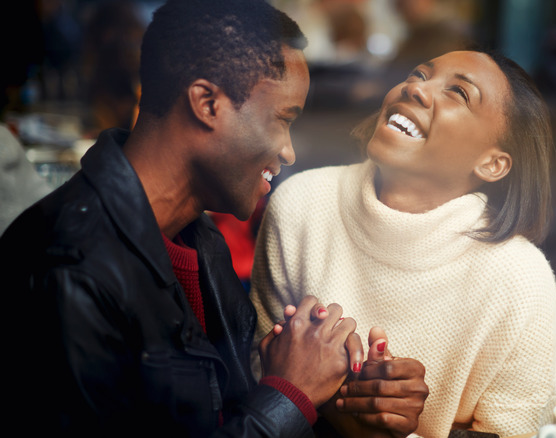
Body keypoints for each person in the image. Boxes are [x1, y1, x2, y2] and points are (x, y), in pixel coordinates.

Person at [0, 0, 426, 436]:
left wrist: (340, 403)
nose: (288, 151)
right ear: (207, 104)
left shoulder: (199, 239)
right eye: (282, 119)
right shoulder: (67, 270)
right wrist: (289, 394)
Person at [251, 50, 556, 437]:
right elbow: (253, 373)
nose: (415, 88)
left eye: (459, 93)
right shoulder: (300, 204)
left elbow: (520, 432)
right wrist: (334, 398)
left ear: (492, 164)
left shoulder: (521, 278)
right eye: (419, 73)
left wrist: (376, 429)